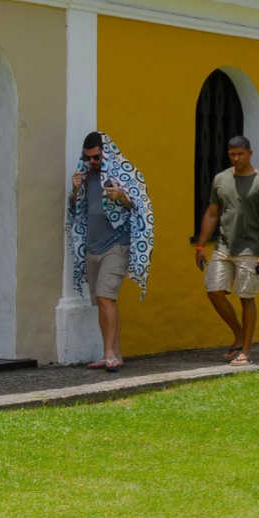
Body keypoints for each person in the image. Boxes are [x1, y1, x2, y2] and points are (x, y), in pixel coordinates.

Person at [65, 131, 153, 373]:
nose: (92, 162)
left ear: (107, 152)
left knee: (106, 297)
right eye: (88, 158)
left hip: (117, 245)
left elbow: (141, 207)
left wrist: (121, 197)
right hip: (92, 246)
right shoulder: (84, 176)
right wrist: (74, 191)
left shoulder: (124, 174)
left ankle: (109, 354)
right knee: (103, 302)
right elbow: (75, 211)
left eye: (96, 157)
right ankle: (115, 354)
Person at [194, 135, 259, 364]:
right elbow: (212, 213)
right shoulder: (221, 179)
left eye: (240, 154)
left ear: (250, 153)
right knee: (214, 290)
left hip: (250, 249)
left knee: (246, 297)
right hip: (223, 246)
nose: (237, 158)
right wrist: (201, 245)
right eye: (232, 154)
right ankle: (239, 334)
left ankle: (246, 351)